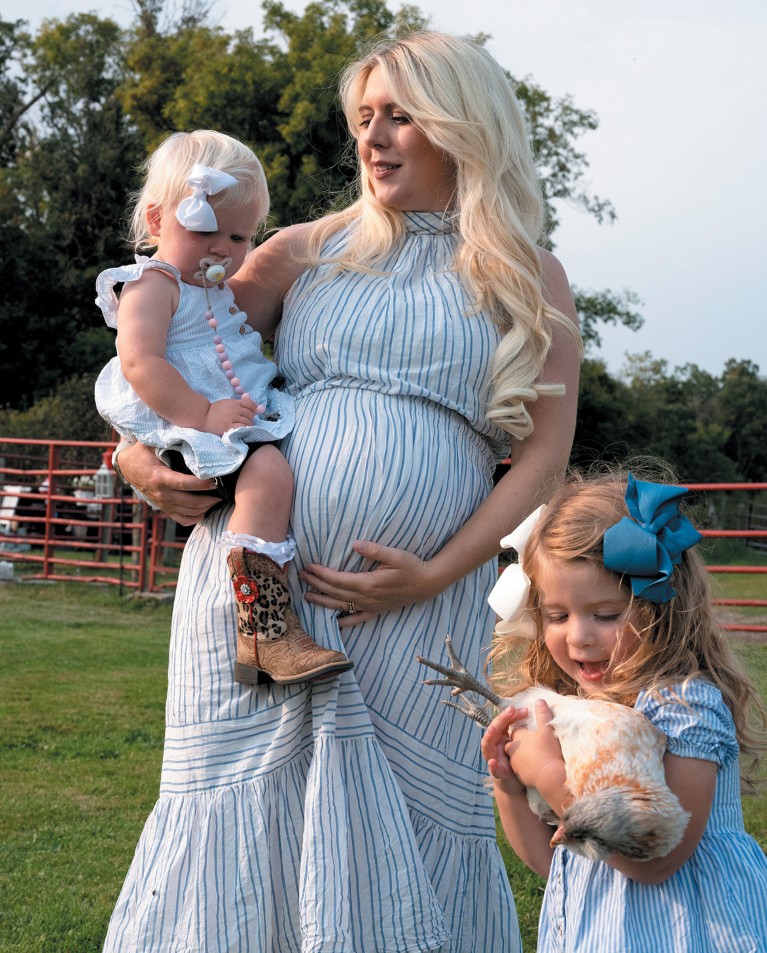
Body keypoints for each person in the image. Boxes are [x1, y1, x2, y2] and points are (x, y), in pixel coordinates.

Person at [106, 31, 582, 953]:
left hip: (412, 613)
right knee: (239, 806)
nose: (373, 137)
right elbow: (160, 338)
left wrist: (435, 571)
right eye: (364, 117)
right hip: (254, 591)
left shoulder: (531, 273)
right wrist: (132, 456)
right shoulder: (305, 249)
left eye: (400, 114)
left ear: (462, 125)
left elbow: (542, 462)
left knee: (409, 821)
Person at [95, 129, 351, 685]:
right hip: (191, 427)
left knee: (268, 471)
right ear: (158, 220)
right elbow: (141, 364)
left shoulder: (212, 292)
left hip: (217, 421)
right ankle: (264, 631)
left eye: (240, 237)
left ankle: (267, 627)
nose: (223, 249)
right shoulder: (151, 284)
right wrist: (204, 415)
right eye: (206, 229)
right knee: (266, 473)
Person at [481, 467, 767, 952]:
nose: (579, 636)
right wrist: (509, 785)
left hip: (687, 932)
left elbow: (656, 860)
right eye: (557, 615)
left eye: (606, 615)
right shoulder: (569, 712)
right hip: (595, 931)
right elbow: (552, 862)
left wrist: (549, 772)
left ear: (661, 609)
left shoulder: (682, 707)